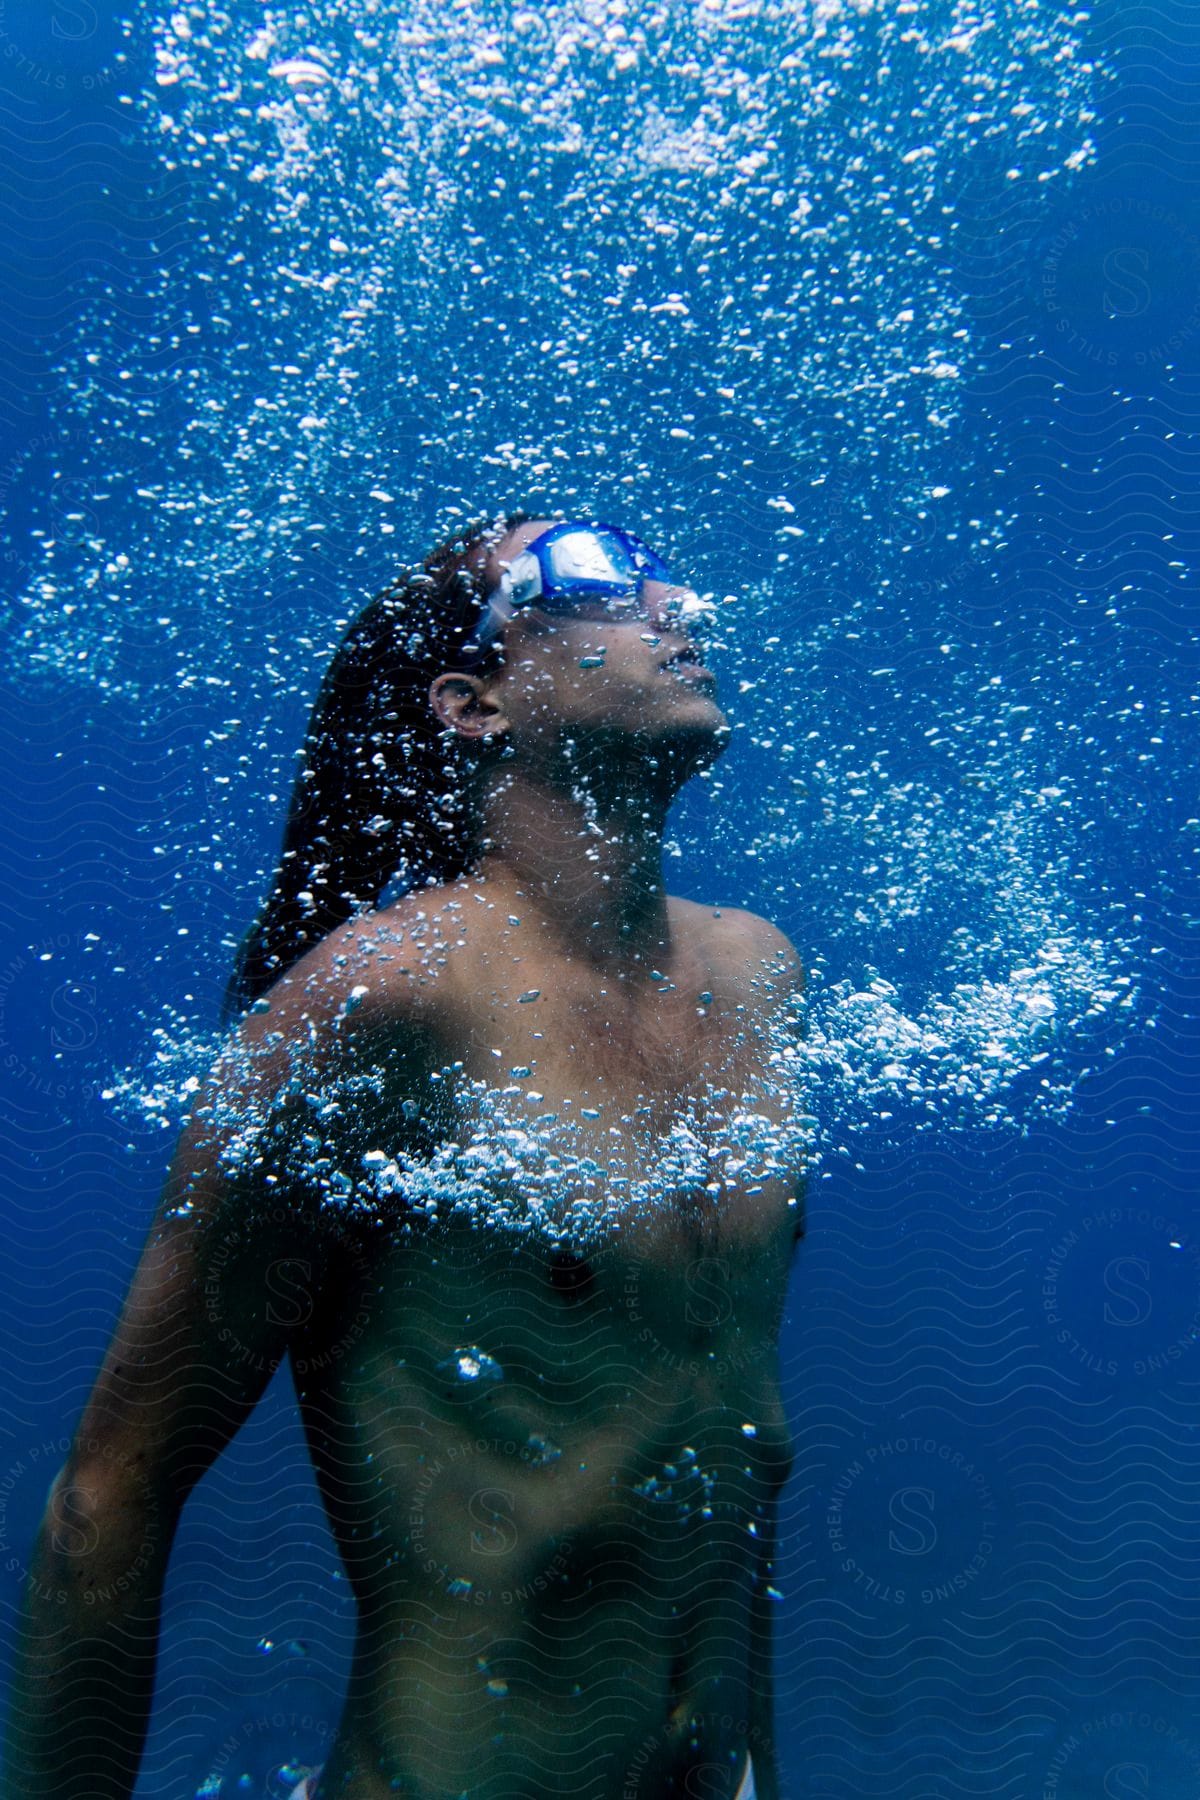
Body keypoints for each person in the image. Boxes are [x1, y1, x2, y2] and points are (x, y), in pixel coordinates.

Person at [3, 514, 806, 1799]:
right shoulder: (380, 1002)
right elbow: (108, 1497)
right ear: (473, 701)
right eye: (593, 573)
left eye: (657, 567)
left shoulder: (755, 975)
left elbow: (731, 1459)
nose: (677, 603)